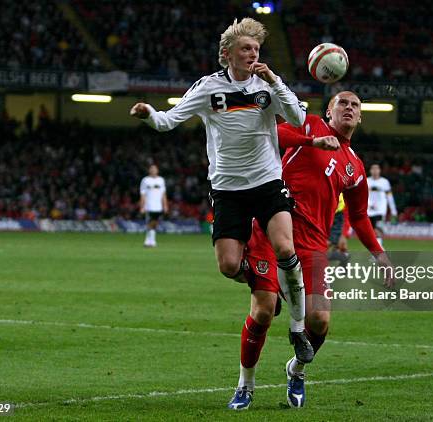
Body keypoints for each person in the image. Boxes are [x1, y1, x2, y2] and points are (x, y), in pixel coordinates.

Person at [129, 19, 314, 362]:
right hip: (227, 189)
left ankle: (298, 328)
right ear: (227, 54)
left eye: (256, 49)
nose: (252, 54)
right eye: (245, 48)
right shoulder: (207, 88)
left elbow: (298, 119)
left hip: (268, 182)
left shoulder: (267, 87)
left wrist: (276, 81)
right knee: (229, 265)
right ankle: (261, 281)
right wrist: (149, 113)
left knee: (286, 248)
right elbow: (169, 121)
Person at [228, 91, 394, 410]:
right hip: (271, 228)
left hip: (313, 246)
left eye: (355, 105)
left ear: (360, 118)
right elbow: (274, 133)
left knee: (319, 321)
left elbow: (359, 216)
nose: (348, 108)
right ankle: (245, 385)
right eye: (341, 103)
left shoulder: (356, 168)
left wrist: (380, 254)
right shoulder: (310, 124)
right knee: (262, 311)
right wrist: (311, 141)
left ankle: (297, 370)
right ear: (329, 112)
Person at [367, 163, 398, 248]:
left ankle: (379, 251)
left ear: (380, 171)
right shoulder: (366, 181)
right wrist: (369, 205)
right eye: (373, 169)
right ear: (370, 171)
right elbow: (363, 196)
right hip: (369, 210)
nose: (375, 171)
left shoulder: (385, 182)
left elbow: (389, 196)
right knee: (370, 232)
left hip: (380, 210)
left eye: (377, 169)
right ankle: (377, 251)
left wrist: (393, 210)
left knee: (378, 229)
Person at [139, 164, 168, 247]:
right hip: (149, 206)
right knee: (150, 222)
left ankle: (150, 241)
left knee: (154, 223)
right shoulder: (145, 180)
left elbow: (163, 194)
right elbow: (142, 194)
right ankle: (149, 241)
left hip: (158, 206)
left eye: (155, 169)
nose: (153, 170)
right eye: (152, 169)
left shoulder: (161, 180)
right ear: (149, 170)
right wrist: (142, 206)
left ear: (157, 170)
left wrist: (165, 205)